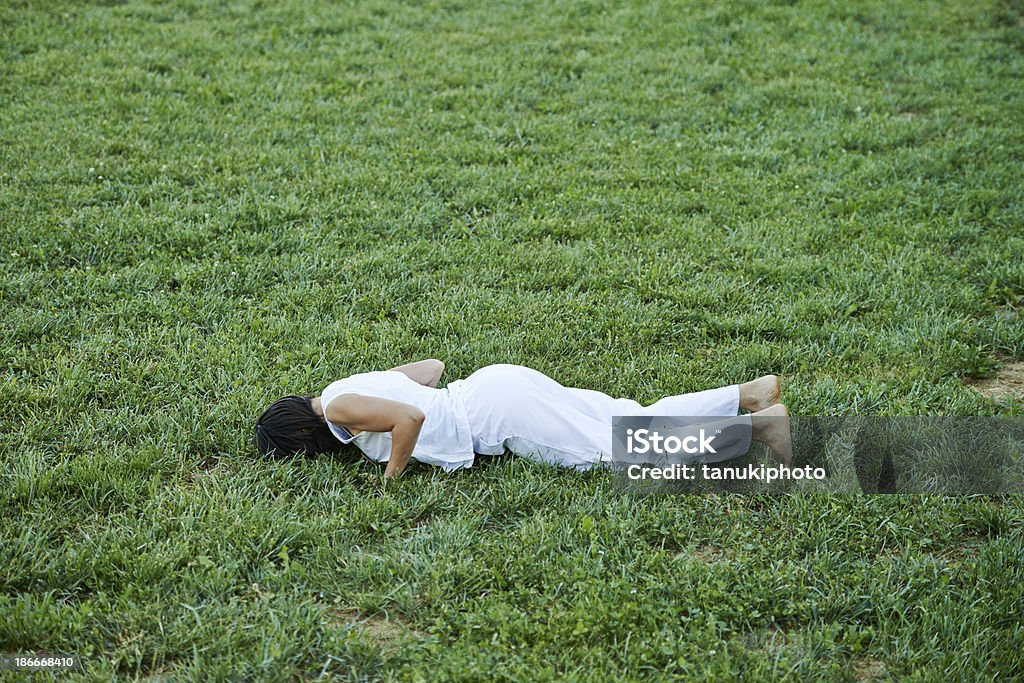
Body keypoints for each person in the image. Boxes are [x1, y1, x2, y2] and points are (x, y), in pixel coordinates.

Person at [253, 360, 792, 478]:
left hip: (497, 414)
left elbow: (410, 418)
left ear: (300, 435)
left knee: (619, 449)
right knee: (628, 418)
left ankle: (761, 428)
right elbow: (431, 370)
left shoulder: (341, 411)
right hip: (493, 384)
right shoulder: (344, 386)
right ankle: (746, 395)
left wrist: (390, 478)